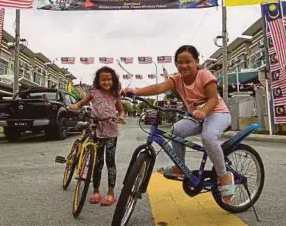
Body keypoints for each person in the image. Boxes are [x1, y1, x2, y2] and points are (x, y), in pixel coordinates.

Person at [120, 45, 234, 204]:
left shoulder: (205, 75)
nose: (184, 65)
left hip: (217, 113)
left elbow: (213, 99)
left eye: (188, 61)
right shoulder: (177, 79)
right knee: (174, 131)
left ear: (196, 61)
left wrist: (203, 111)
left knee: (208, 137)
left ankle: (223, 175)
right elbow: (159, 87)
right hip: (196, 116)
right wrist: (135, 91)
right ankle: (180, 167)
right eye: (180, 62)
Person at [68, 66, 126, 207]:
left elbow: (121, 110)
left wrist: (121, 117)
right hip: (96, 129)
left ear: (113, 80)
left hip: (111, 131)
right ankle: (95, 191)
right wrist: (75, 106)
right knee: (98, 162)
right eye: (103, 79)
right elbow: (82, 103)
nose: (106, 82)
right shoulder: (93, 92)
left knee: (110, 162)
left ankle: (111, 193)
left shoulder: (115, 94)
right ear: (98, 80)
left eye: (109, 79)